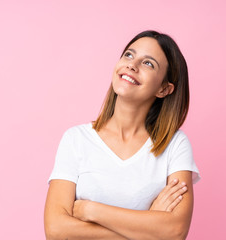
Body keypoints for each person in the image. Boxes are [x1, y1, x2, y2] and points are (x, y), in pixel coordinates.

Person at [44, 30, 201, 240]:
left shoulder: (175, 145)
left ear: (164, 89)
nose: (132, 65)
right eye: (129, 55)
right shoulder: (76, 139)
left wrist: (91, 210)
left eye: (148, 63)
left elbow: (174, 232)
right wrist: (149, 225)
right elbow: (56, 230)